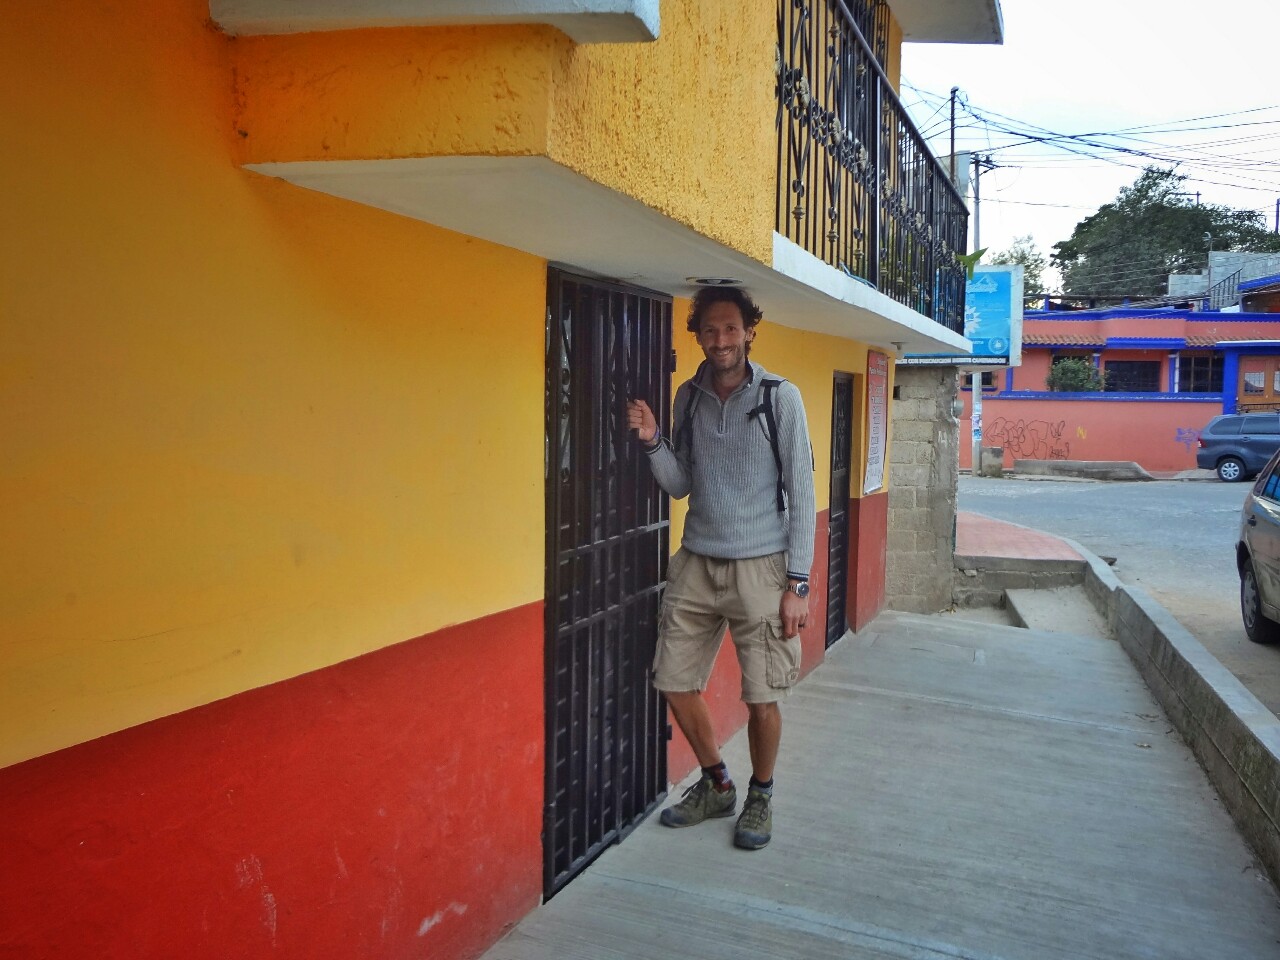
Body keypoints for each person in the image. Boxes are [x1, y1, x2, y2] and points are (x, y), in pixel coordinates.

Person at [626, 286, 815, 850]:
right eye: (709, 329)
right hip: (697, 563)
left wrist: (799, 583)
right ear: (699, 336)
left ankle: (761, 794)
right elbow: (681, 483)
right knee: (672, 679)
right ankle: (717, 784)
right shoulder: (688, 398)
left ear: (750, 331)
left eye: (731, 328)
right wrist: (653, 441)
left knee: (762, 696)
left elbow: (802, 492)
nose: (721, 339)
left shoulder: (780, 397)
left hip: (762, 567)